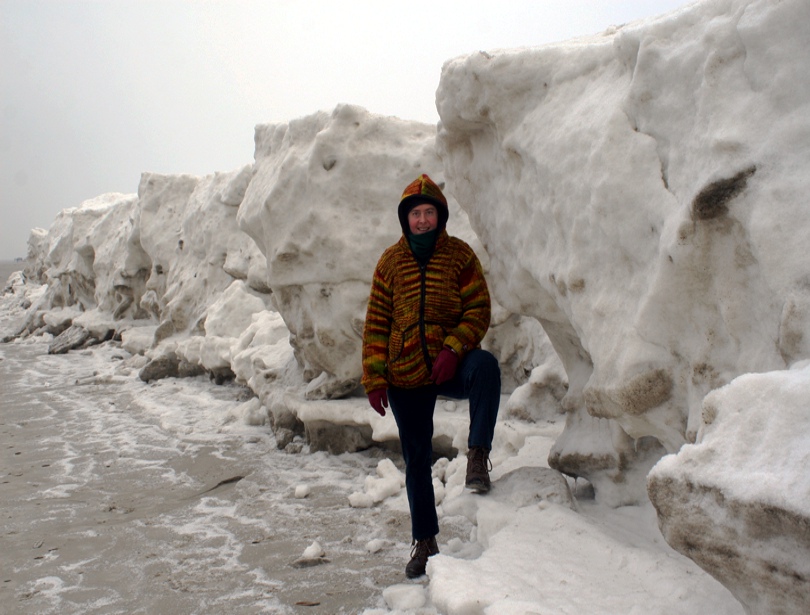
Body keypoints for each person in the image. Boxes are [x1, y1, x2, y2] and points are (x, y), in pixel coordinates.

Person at [361, 174, 501, 579]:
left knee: (486, 367)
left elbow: (478, 309)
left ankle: (477, 457)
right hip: (405, 374)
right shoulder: (390, 262)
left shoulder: (459, 256)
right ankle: (425, 541)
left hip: (448, 364)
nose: (422, 220)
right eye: (416, 214)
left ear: (440, 216)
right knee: (417, 461)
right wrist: (374, 376)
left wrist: (455, 347)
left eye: (429, 212)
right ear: (406, 220)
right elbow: (376, 324)